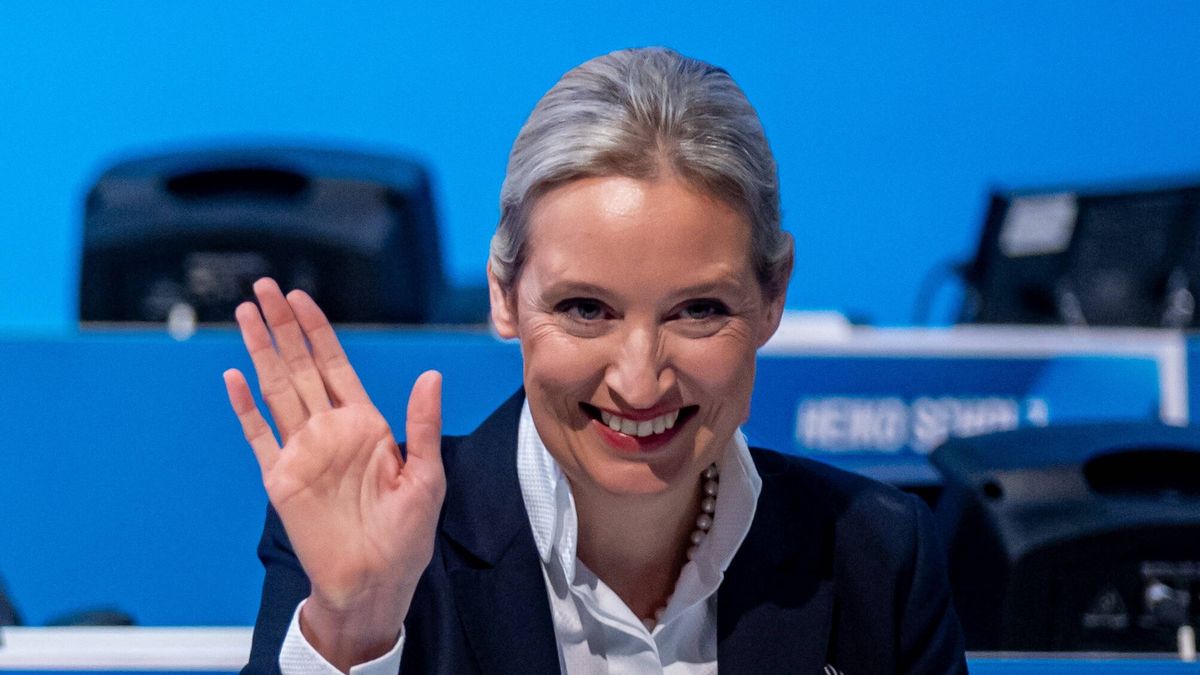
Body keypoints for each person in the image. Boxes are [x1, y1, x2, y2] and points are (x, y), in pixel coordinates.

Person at [227, 47, 967, 674]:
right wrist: (356, 629)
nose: (639, 380)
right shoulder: (369, 536)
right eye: (587, 309)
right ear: (504, 295)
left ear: (772, 295)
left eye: (698, 310)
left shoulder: (878, 551)